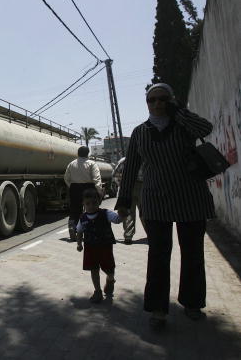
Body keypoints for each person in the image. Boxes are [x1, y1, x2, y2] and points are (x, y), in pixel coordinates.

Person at [115, 83, 215, 330]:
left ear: (171, 100)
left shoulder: (183, 125)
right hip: (155, 200)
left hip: (190, 197)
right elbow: (130, 169)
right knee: (158, 255)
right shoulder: (140, 132)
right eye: (152, 100)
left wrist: (179, 112)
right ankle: (158, 309)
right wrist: (124, 201)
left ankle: (192, 303)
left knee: (192, 253)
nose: (157, 104)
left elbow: (207, 128)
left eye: (163, 99)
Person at [76, 188, 122, 303]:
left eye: (94, 203)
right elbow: (79, 231)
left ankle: (110, 279)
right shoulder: (82, 218)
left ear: (99, 202)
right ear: (83, 204)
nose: (91, 206)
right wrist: (79, 244)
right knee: (94, 269)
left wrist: (122, 214)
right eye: (88, 203)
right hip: (90, 249)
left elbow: (117, 219)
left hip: (105, 247)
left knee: (109, 268)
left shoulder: (106, 213)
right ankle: (97, 291)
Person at [64, 146, 103, 241]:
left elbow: (66, 178)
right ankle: (89, 231)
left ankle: (72, 227)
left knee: (74, 210)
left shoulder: (71, 164)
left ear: (78, 153)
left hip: (74, 188)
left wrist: (72, 186)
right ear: (88, 153)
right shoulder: (92, 164)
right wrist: (99, 191)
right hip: (88, 188)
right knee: (90, 210)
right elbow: (96, 179)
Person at [113, 157, 145, 244]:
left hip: (127, 186)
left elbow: (115, 175)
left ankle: (128, 235)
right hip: (142, 186)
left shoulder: (123, 160)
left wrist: (121, 185)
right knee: (144, 210)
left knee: (128, 212)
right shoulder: (143, 158)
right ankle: (151, 233)